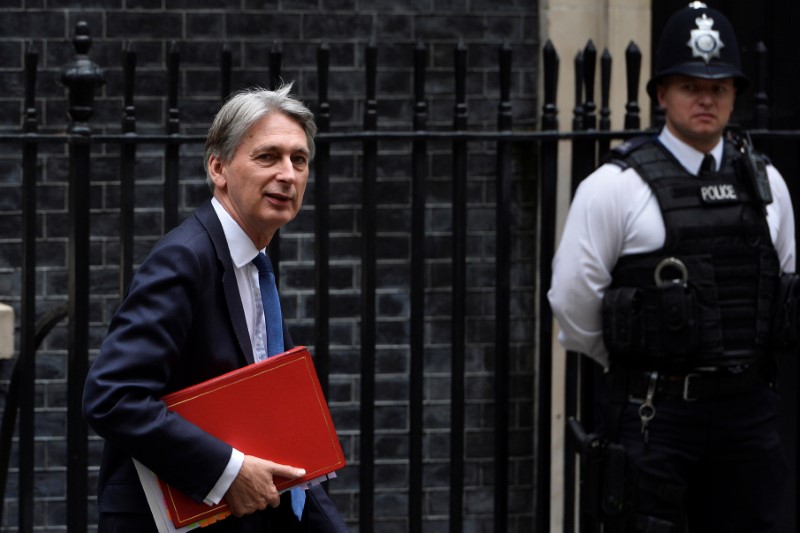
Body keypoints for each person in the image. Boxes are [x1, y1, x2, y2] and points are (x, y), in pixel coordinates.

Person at [549, 3, 796, 532]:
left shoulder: (768, 185)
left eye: (720, 87)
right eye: (690, 86)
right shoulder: (615, 187)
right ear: (661, 94)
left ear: (734, 95)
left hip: (746, 416)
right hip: (655, 417)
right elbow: (572, 304)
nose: (706, 99)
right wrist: (640, 367)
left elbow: (781, 285)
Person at [83, 84, 349, 532]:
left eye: (298, 160)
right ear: (218, 168)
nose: (288, 173)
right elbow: (113, 397)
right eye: (268, 157)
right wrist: (228, 472)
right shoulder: (185, 259)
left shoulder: (255, 264)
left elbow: (276, 428)